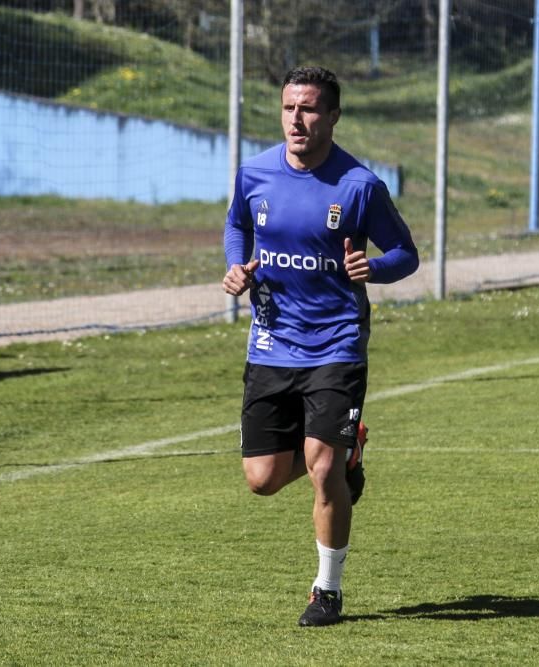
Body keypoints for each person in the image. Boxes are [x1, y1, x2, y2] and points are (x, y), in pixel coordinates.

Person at [222, 66, 419, 627]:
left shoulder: (359, 185)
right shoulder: (254, 173)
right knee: (262, 480)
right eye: (289, 108)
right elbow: (236, 225)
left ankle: (326, 591)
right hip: (270, 342)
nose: (297, 119)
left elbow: (406, 253)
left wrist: (373, 268)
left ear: (333, 115)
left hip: (336, 343)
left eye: (309, 109)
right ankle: (347, 452)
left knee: (322, 466)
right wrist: (236, 266)